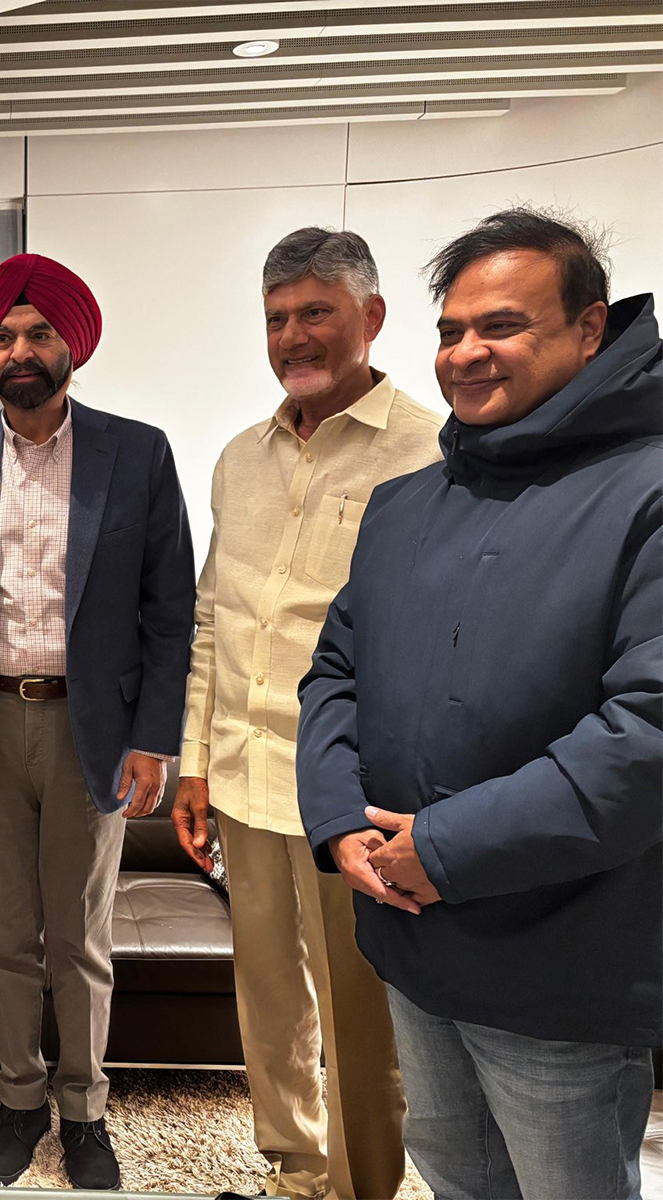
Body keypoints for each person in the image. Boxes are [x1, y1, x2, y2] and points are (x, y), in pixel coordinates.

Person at [298, 208, 661, 1199]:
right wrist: (337, 823)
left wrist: (441, 849)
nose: (465, 353)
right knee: (455, 1172)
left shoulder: (646, 492)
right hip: (413, 938)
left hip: (559, 960)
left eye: (498, 326)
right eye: (451, 330)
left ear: (589, 330)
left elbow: (645, 738)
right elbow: (333, 670)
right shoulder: (405, 503)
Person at [0, 253, 195, 1191]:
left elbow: (169, 610)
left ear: (73, 345)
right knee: (6, 933)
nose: (18, 351)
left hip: (90, 733)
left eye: (37, 334)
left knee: (81, 936)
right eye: (2, 336)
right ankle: (19, 1099)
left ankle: (85, 1110)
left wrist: (158, 736)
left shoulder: (136, 452)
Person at [172, 228, 439, 1199]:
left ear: (369, 316)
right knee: (269, 1001)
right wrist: (195, 762)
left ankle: (366, 1187)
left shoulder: (430, 453)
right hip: (242, 784)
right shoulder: (238, 459)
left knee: (363, 1021)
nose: (294, 334)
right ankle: (292, 1175)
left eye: (315, 311)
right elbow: (211, 618)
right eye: (277, 317)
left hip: (353, 797)